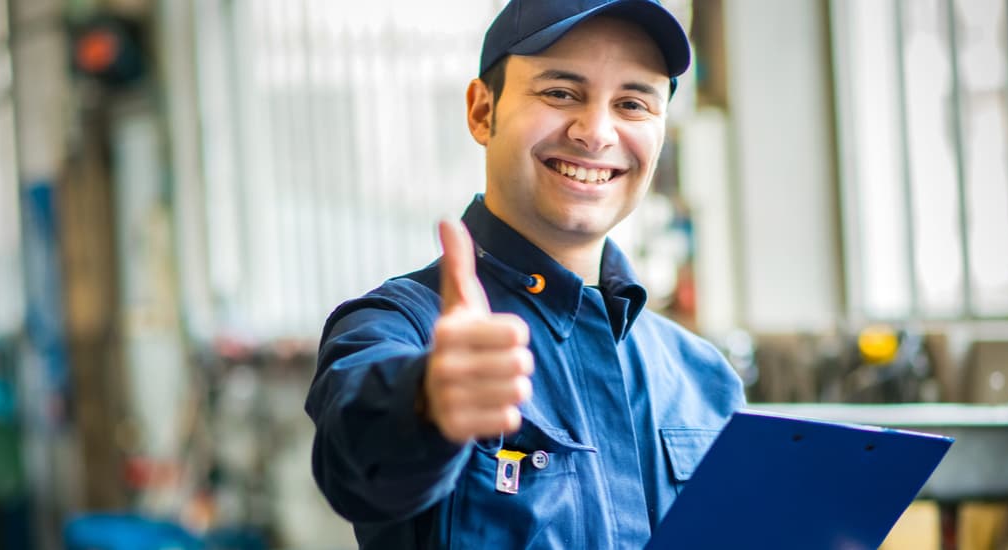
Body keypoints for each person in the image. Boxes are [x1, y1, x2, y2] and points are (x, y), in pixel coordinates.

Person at [304, 1, 744, 547]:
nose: (595, 133)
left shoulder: (703, 379)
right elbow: (355, 456)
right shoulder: (402, 329)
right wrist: (426, 402)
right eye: (560, 93)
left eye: (632, 104)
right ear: (481, 111)